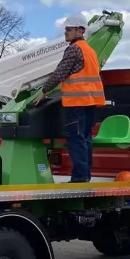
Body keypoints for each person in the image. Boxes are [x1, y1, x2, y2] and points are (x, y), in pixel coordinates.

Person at [32, 13, 106, 183]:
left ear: (80, 31)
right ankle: (84, 176)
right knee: (85, 139)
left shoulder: (73, 49)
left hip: (78, 103)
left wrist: (44, 91)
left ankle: (79, 178)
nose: (66, 32)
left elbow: (60, 73)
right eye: (66, 29)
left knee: (76, 140)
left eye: (69, 29)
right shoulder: (90, 51)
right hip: (91, 103)